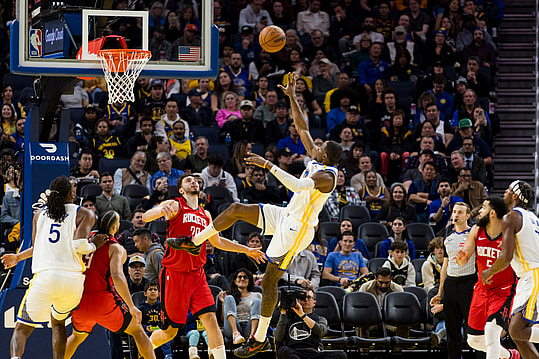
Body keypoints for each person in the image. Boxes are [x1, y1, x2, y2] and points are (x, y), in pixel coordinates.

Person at [186, 73, 343, 357]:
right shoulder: (319, 157)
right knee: (234, 210)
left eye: (319, 147)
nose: (314, 146)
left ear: (326, 157)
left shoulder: (327, 177)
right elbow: (303, 127)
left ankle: (259, 338)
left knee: (270, 280)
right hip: (285, 215)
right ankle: (196, 240)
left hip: (298, 230)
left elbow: (295, 185)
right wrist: (292, 96)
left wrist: (267, 164)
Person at [141, 174, 266, 359]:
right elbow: (145, 216)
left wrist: (246, 249)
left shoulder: (205, 214)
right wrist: (160, 210)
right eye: (188, 180)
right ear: (182, 190)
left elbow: (217, 241)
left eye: (196, 180)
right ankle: (144, 347)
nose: (194, 182)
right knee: (170, 332)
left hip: (197, 275)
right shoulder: (175, 204)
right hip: (174, 274)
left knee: (211, 320)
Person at [1, 176, 98, 359]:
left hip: (45, 279)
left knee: (21, 328)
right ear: (71, 192)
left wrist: (17, 257)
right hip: (72, 281)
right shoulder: (85, 213)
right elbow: (80, 245)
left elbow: (37, 247)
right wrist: (94, 245)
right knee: (59, 323)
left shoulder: (39, 215)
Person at [64, 211, 156, 359]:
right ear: (115, 228)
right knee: (137, 330)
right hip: (103, 301)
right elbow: (117, 276)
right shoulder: (115, 247)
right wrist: (131, 306)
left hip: (79, 301)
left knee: (76, 336)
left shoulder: (84, 240)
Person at [477, 181, 538, 358]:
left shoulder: (510, 217)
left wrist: (488, 271)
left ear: (515, 196)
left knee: (517, 330)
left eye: (509, 189)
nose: (505, 192)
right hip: (529, 276)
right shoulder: (533, 218)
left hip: (533, 274)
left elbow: (506, 257)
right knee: (519, 337)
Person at [455, 196, 518, 359]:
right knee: (474, 340)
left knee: (491, 333)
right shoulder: (477, 229)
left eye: (483, 207)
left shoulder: (508, 231)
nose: (479, 210)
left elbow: (508, 258)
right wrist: (462, 258)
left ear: (492, 213)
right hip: (481, 290)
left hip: (503, 290)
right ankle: (510, 355)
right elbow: (465, 257)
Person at [430, 202, 475, 359]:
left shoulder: (473, 235)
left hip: (468, 283)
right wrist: (440, 292)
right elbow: (445, 267)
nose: (455, 214)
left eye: (460, 212)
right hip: (451, 284)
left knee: (474, 329)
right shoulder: (447, 238)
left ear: (467, 216)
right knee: (452, 330)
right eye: (454, 211)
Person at [274, 288, 347, 359]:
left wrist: (302, 315)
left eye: (309, 297)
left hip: (314, 352)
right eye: (303, 298)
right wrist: (283, 313)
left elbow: (321, 332)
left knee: (341, 355)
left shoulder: (320, 319)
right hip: (294, 352)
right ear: (298, 300)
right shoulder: (287, 318)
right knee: (283, 351)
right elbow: (278, 338)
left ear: (314, 302)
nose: (306, 300)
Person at [217, 268, 262, 345]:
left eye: (245, 277)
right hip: (232, 329)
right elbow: (223, 321)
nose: (242, 279)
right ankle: (236, 334)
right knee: (229, 298)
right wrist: (223, 303)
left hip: (250, 327)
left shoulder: (257, 295)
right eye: (239, 277)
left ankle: (252, 336)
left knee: (257, 301)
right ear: (235, 281)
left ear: (249, 281)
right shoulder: (229, 297)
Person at [138, 281, 173, 359]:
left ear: (159, 294)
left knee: (165, 335)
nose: (153, 291)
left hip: (160, 330)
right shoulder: (140, 308)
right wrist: (145, 327)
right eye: (150, 289)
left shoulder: (163, 307)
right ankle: (144, 355)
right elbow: (137, 324)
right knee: (142, 335)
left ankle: (168, 355)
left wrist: (160, 327)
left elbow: (167, 321)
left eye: (155, 289)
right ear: (145, 293)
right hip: (146, 331)